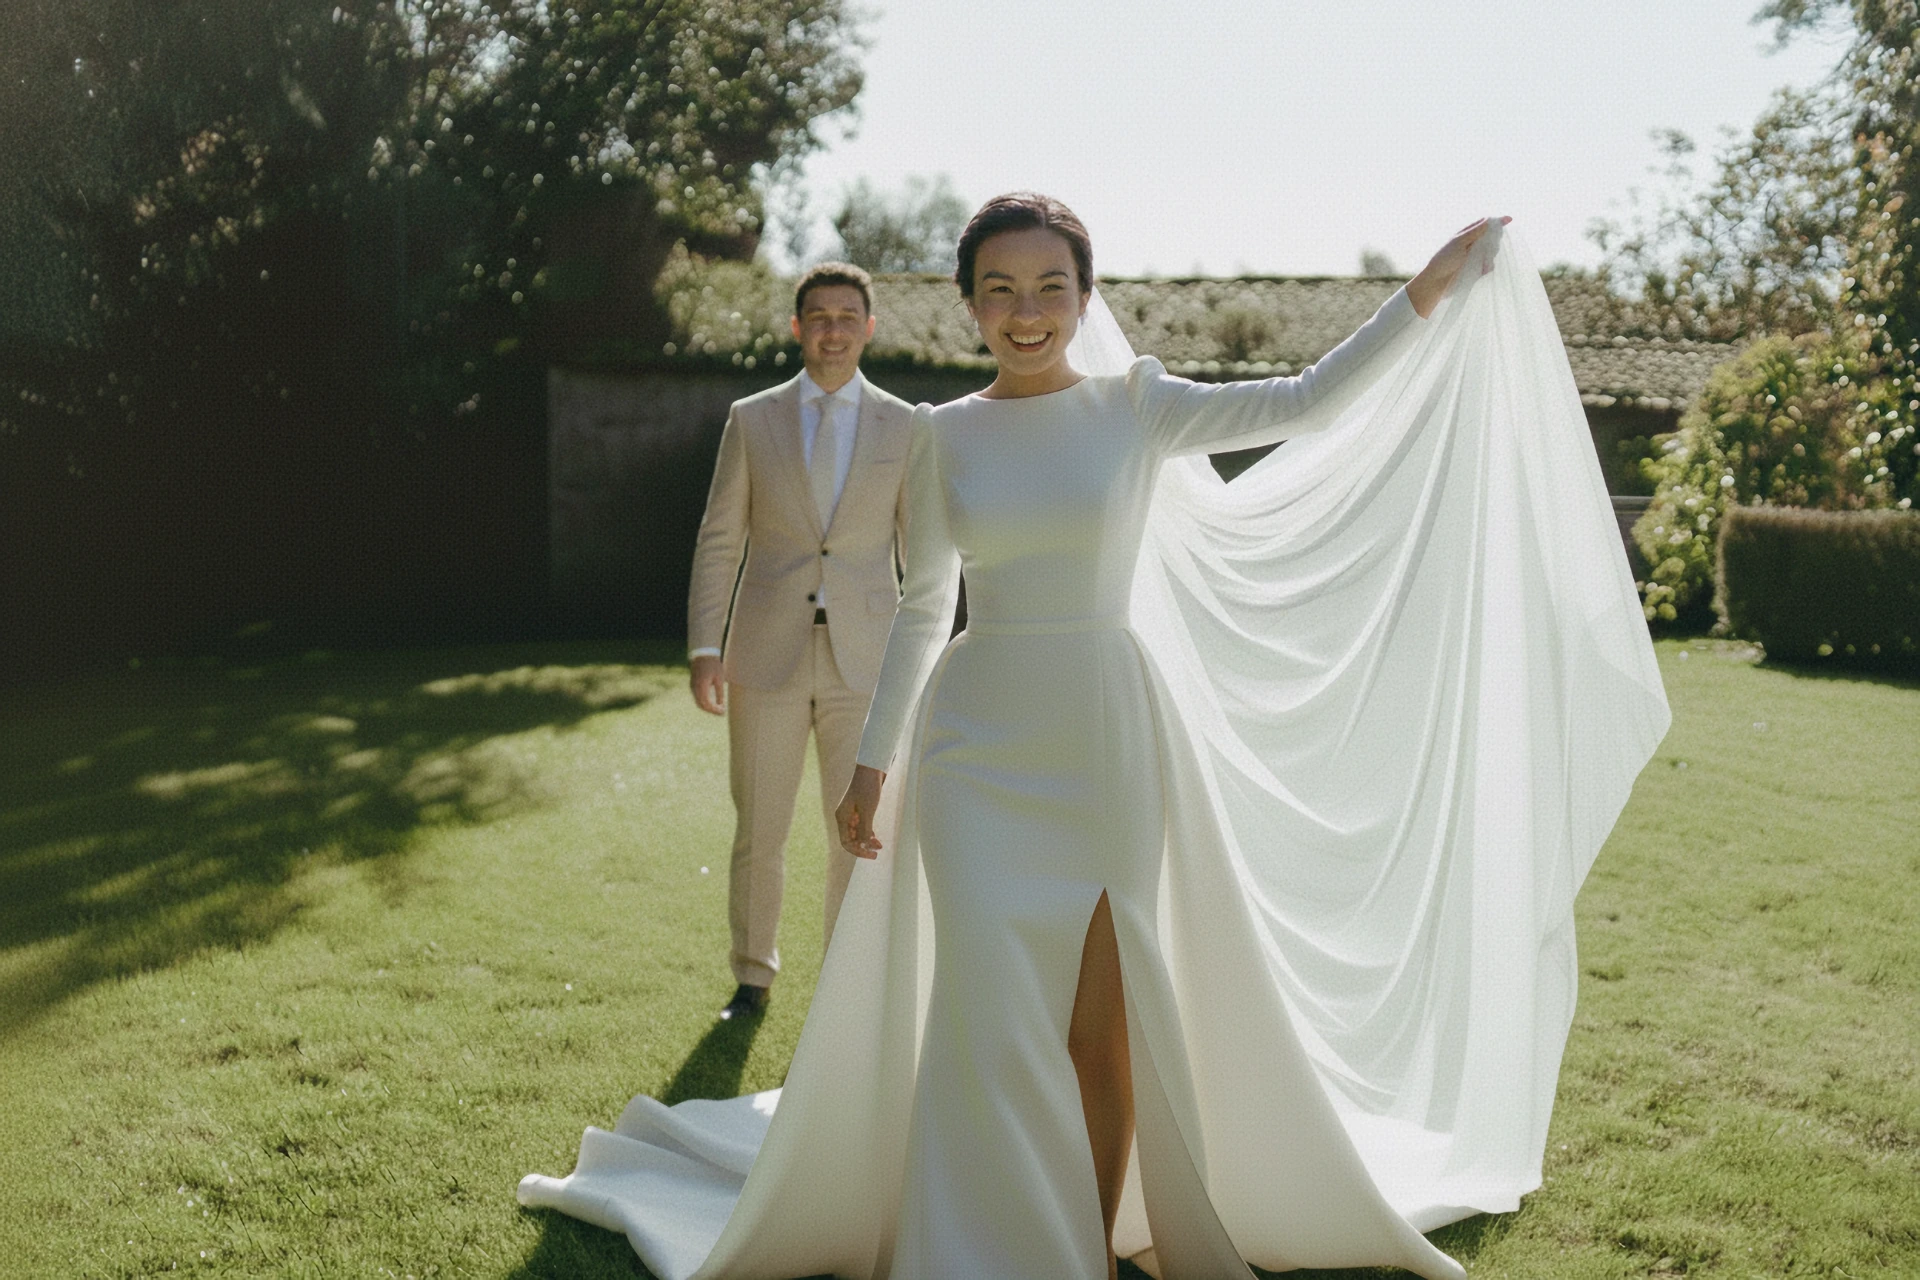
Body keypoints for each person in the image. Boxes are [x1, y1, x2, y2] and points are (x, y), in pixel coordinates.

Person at [521, 196, 1669, 1280]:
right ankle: (989, 1236)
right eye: (1001, 288)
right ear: (968, 302)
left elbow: (1307, 397)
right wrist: (874, 767)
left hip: (1106, 737)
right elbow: (924, 610)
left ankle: (1083, 1241)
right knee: (985, 1014)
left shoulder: (1139, 403)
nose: (1027, 312)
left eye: (1050, 285)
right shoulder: (938, 438)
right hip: (974, 752)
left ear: (1083, 293)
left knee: (1104, 1024)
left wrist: (1419, 295)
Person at [684, 261, 915, 1022]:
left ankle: (848, 986)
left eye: (848, 316)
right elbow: (720, 540)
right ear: (797, 327)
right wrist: (704, 646)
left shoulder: (905, 424)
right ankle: (752, 980)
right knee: (761, 825)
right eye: (819, 316)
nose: (833, 330)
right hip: (765, 653)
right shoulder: (752, 419)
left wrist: (928, 657)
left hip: (867, 660)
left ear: (869, 328)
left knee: (858, 828)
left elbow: (920, 554)